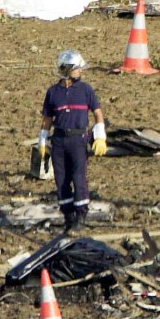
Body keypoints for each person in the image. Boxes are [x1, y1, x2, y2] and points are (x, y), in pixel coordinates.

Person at [38, 50, 107, 233]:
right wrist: (43, 142)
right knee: (62, 180)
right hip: (59, 140)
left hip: (78, 139)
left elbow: (98, 113)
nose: (81, 71)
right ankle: (68, 217)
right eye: (78, 68)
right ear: (67, 69)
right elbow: (47, 120)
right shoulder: (52, 92)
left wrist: (100, 136)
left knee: (79, 178)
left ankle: (81, 217)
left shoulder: (86, 90)